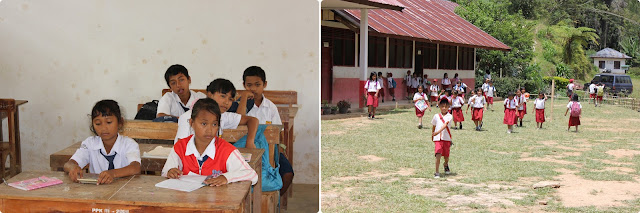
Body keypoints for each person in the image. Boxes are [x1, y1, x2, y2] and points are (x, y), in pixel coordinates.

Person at [162, 98, 258, 186]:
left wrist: (226, 178)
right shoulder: (180, 147)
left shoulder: (226, 150)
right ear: (192, 123)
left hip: (217, 201)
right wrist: (170, 172)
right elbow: (166, 171)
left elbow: (252, 175)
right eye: (204, 124)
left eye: (214, 124)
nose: (209, 130)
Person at [237, 66, 294, 196]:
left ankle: (274, 201)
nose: (253, 89)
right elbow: (237, 119)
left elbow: (279, 131)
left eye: (257, 85)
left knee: (288, 174)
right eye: (249, 85)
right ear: (244, 85)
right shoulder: (241, 105)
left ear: (265, 84)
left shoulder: (270, 107)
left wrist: (281, 149)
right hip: (246, 149)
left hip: (270, 150)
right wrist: (244, 99)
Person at [65, 100, 141, 185]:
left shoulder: (129, 144)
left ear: (120, 122)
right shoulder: (90, 144)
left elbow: (135, 167)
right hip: (97, 192)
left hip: (124, 191)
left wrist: (113, 173)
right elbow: (69, 164)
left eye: (109, 122)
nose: (103, 128)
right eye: (98, 123)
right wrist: (73, 168)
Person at [175, 79, 259, 149]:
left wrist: (250, 142)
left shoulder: (223, 115)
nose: (226, 102)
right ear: (210, 95)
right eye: (223, 96)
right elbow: (180, 147)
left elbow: (252, 120)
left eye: (230, 99)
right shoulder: (188, 116)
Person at [431, 99, 453, 179]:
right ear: (439, 107)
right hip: (437, 139)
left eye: (446, 107)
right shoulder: (436, 116)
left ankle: (446, 164)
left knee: (446, 156)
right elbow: (433, 125)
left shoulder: (449, 116)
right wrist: (433, 135)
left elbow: (445, 125)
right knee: (438, 154)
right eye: (442, 106)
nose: (444, 108)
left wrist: (437, 132)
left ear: (448, 107)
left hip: (446, 138)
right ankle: (437, 172)